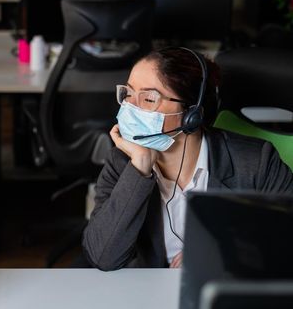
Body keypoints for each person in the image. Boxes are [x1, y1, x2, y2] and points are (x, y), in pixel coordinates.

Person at [82, 47, 293, 271]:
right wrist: (140, 169)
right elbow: (102, 256)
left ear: (192, 113)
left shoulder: (256, 162)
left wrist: (222, 254)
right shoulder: (123, 161)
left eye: (149, 98)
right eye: (128, 93)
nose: (130, 107)